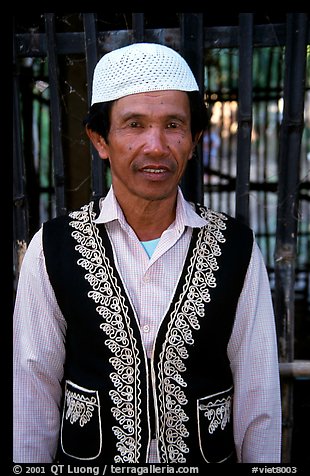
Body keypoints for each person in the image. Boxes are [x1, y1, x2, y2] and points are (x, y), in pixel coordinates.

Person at [13, 42, 282, 464]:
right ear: (100, 139)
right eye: (134, 124)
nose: (156, 146)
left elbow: (259, 401)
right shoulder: (51, 250)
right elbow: (31, 397)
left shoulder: (237, 251)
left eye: (173, 124)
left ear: (193, 141)